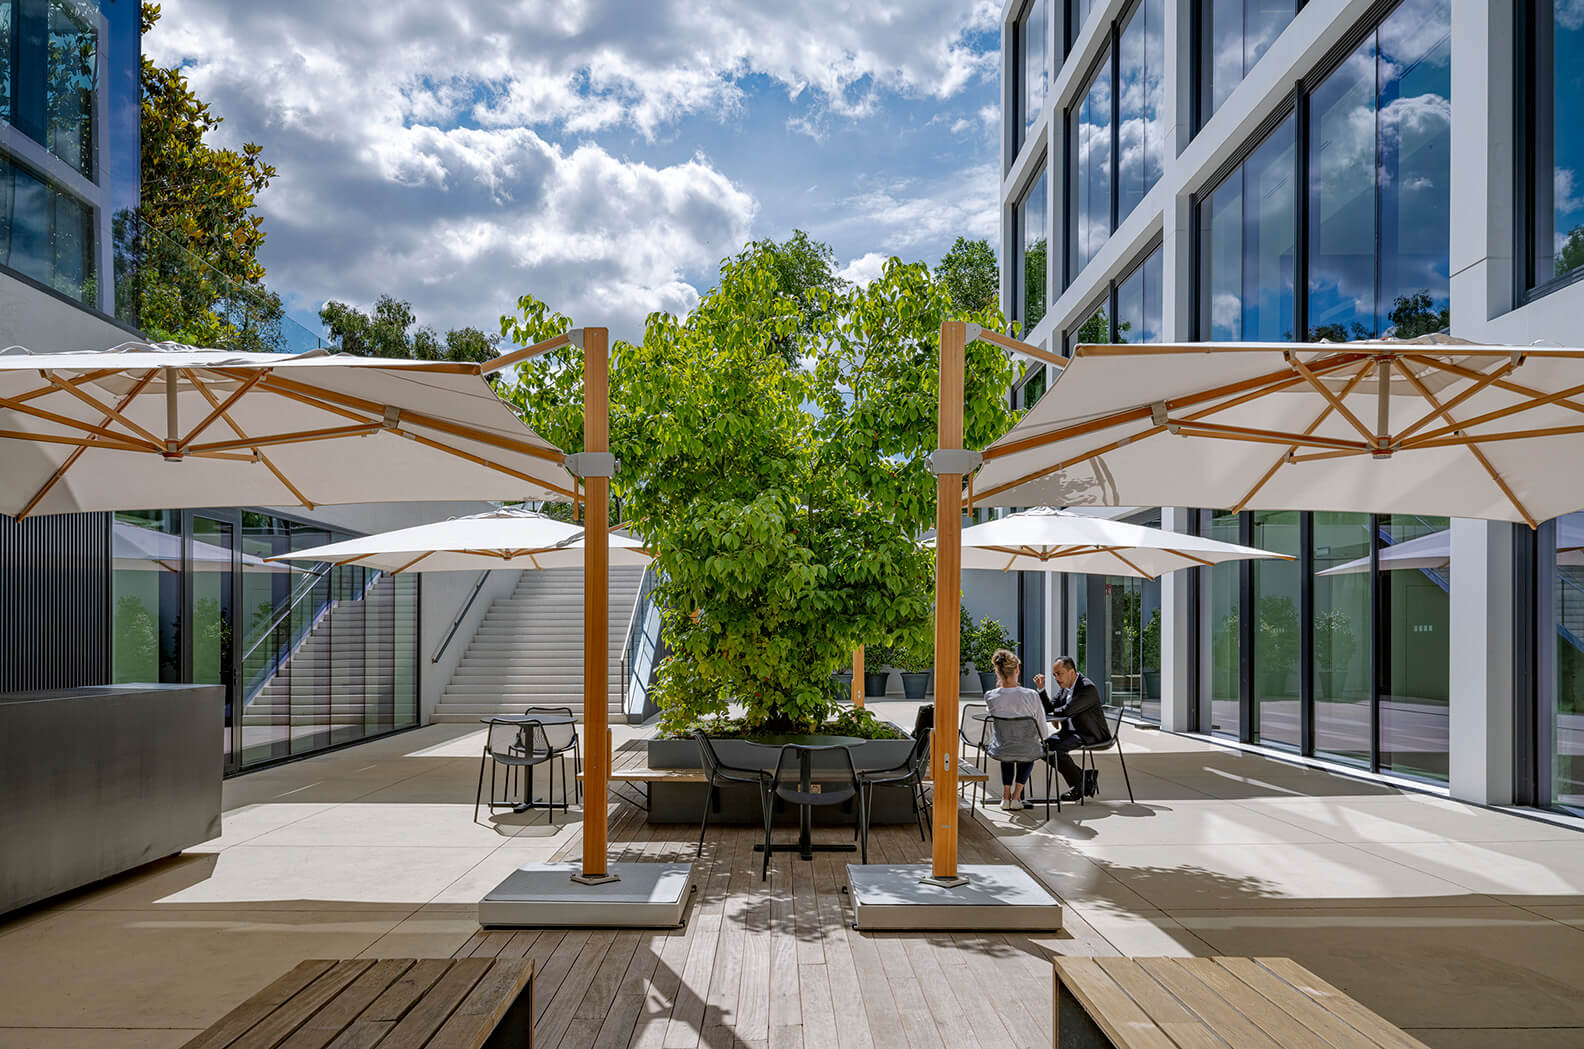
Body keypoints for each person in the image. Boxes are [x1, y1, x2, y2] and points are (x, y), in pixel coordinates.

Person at [983, 648, 1051, 810]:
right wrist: (1042, 739)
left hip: (1002, 748)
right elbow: (1042, 726)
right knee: (1027, 747)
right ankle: (1016, 796)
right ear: (1017, 670)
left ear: (997, 672)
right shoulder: (1031, 695)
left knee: (1008, 743)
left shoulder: (991, 696)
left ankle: (1005, 796)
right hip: (1027, 748)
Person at [1036, 656, 1109, 802]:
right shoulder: (1065, 689)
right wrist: (1041, 689)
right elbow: (1051, 707)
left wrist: (1055, 715)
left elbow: (1066, 711)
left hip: (1089, 734)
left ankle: (1080, 785)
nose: (1057, 678)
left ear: (1071, 671)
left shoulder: (1087, 688)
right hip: (1070, 732)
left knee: (1056, 751)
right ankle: (1084, 780)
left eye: (1059, 673)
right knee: (1043, 748)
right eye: (1054, 675)